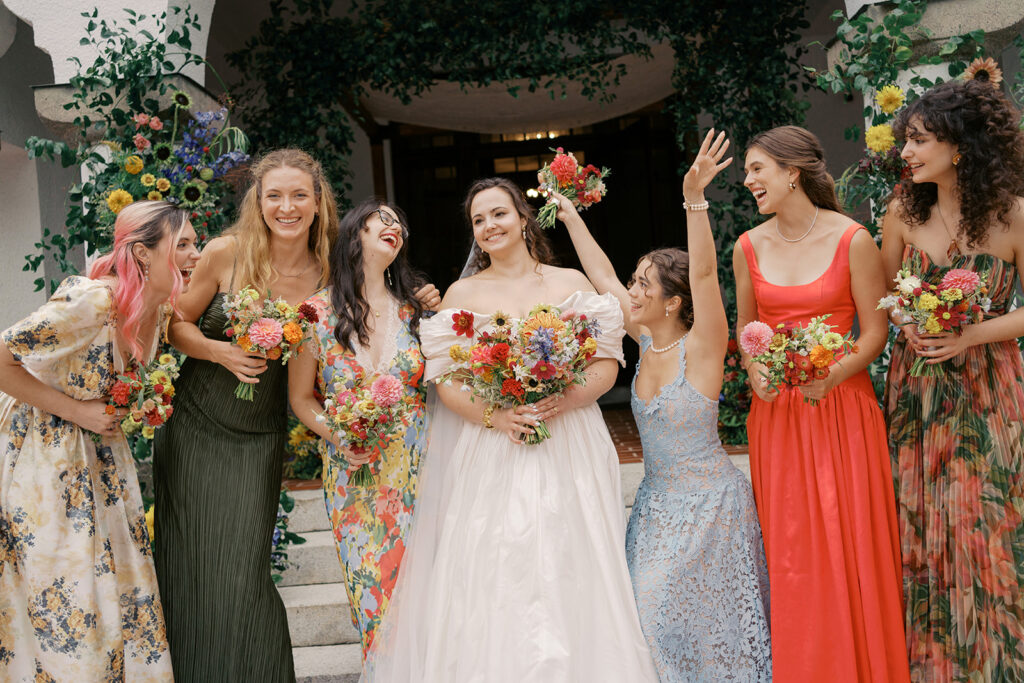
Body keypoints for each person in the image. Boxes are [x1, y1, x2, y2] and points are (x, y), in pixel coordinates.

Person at [364, 177, 658, 681]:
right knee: (498, 563)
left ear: (523, 218)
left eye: (498, 214)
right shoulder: (463, 293)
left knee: (573, 556)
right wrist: (499, 416)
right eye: (478, 220)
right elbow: (448, 381)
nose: (488, 226)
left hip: (569, 438)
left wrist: (558, 399)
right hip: (494, 445)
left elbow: (607, 364)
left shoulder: (570, 284)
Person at [561, 129, 770, 681]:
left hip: (712, 510)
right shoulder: (646, 343)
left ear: (673, 301)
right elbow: (601, 276)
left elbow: (703, 272)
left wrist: (693, 197)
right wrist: (569, 216)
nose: (631, 290)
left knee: (712, 633)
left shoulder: (701, 348)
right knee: (647, 625)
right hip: (655, 511)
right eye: (635, 281)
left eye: (643, 283)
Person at [152, 148, 336, 682]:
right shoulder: (224, 253)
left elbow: (378, 291)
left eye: (299, 194)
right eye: (274, 195)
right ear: (258, 201)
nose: (286, 206)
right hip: (194, 425)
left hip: (257, 434)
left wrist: (417, 291)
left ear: (318, 201)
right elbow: (174, 323)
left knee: (245, 571)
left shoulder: (328, 271)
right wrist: (221, 351)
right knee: (190, 565)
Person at [733, 125, 910, 681]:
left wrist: (830, 376)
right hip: (778, 419)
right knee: (793, 555)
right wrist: (756, 367)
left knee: (852, 542)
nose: (748, 180)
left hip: (841, 408)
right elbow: (746, 330)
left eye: (758, 168)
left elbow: (875, 333)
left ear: (793, 171)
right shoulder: (746, 245)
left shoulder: (852, 238)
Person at [0, 200, 199, 681]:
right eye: (185, 244)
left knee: (117, 590)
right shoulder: (94, 300)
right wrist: (78, 411)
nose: (197, 253)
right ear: (145, 254)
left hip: (101, 458)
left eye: (197, 242)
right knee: (69, 594)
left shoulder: (157, 305)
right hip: (43, 456)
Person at [881, 77, 1024, 679]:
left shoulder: (1013, 215)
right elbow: (887, 294)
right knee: (918, 526)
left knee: (988, 524)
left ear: (959, 145)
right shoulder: (900, 210)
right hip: (917, 394)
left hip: (991, 392)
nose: (906, 152)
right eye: (905, 141)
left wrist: (970, 335)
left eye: (918, 140)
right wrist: (908, 324)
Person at [289, 198, 429, 658]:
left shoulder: (417, 312)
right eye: (382, 220)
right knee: (372, 590)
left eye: (399, 223)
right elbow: (301, 398)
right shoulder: (314, 314)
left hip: (419, 471)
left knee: (427, 589)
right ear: (355, 236)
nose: (395, 227)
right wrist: (339, 436)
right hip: (353, 475)